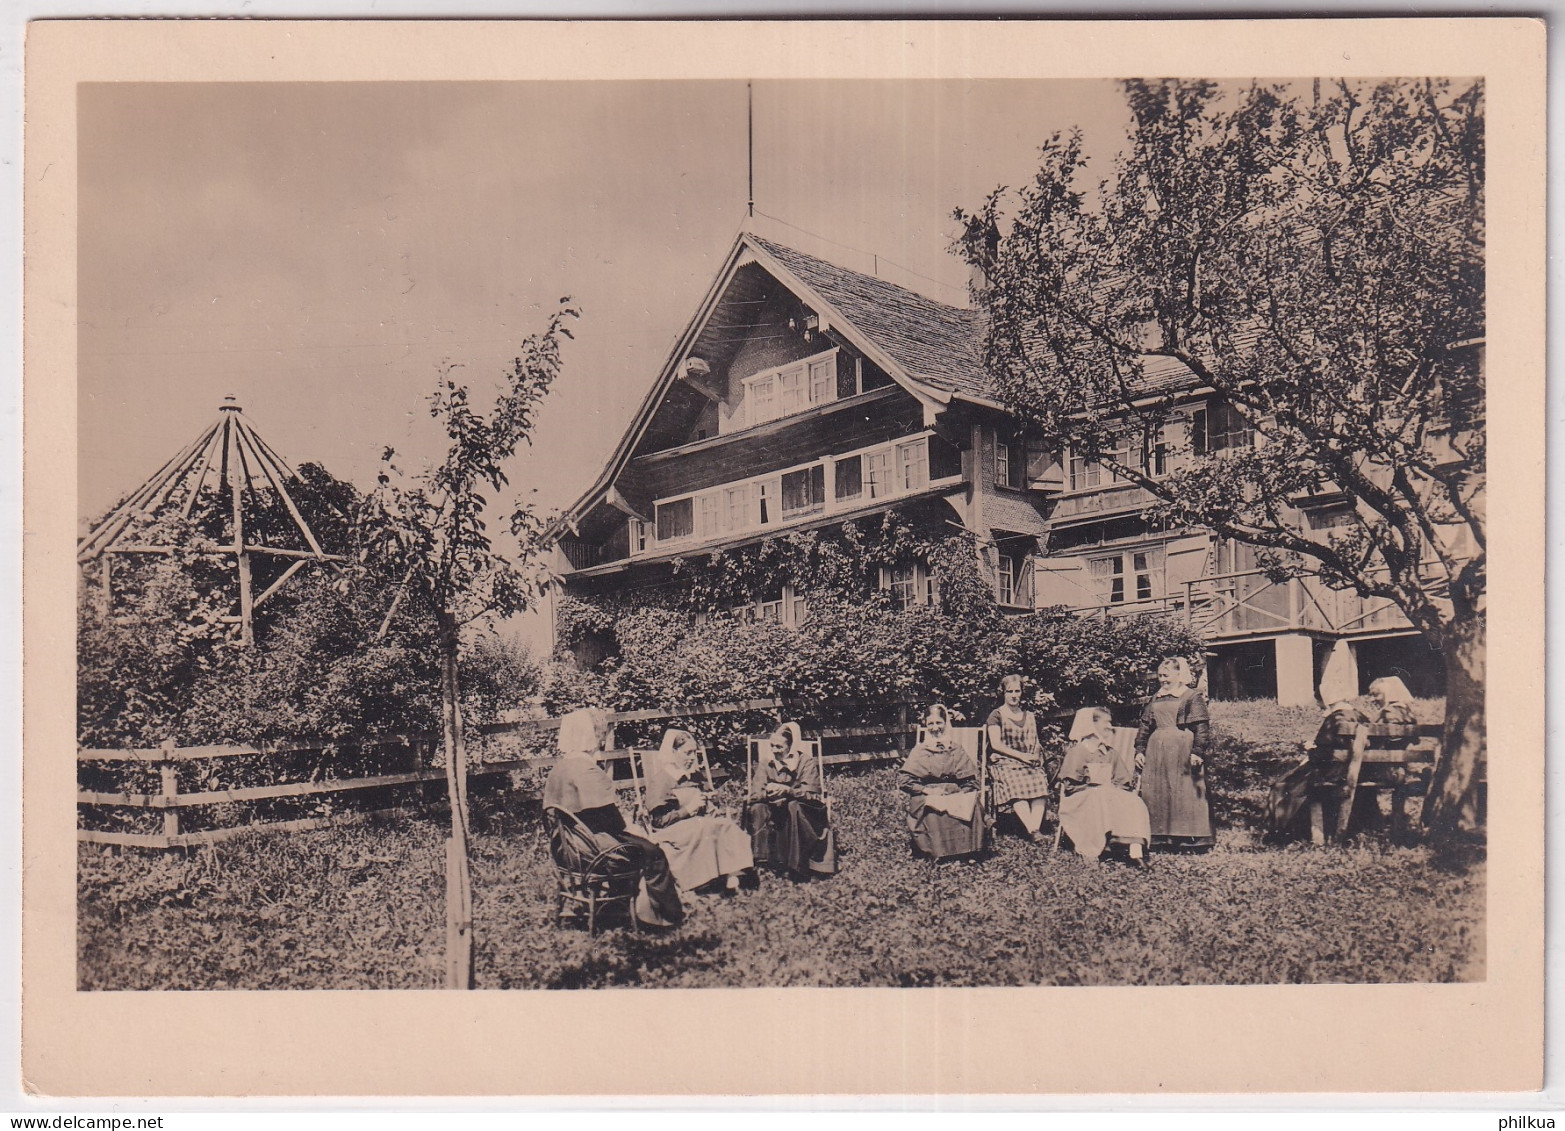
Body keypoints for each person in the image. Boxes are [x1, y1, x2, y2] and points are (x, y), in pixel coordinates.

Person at [542, 707, 684, 928]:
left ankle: (617, 907)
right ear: (590, 736)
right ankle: (666, 917)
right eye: (597, 732)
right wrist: (636, 830)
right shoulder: (588, 770)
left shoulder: (557, 770)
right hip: (592, 854)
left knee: (631, 844)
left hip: (564, 851)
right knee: (653, 853)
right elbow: (614, 823)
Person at [643, 728, 755, 894]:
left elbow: (705, 806)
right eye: (687, 753)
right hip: (671, 829)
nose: (692, 758)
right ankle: (702, 883)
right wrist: (688, 810)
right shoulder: (661, 780)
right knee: (704, 828)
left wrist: (708, 803)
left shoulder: (694, 776)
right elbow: (659, 822)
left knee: (725, 825)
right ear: (674, 752)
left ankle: (733, 875)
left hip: (697, 822)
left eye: (694, 753)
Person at [1134, 657, 1214, 849]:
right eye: (1160, 676)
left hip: (1182, 750)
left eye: (1167, 675)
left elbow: (1201, 727)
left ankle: (1190, 839)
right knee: (1157, 790)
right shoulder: (1157, 697)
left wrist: (1198, 751)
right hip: (1156, 750)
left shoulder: (1192, 696)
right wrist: (1139, 749)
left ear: (1179, 675)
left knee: (1184, 790)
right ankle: (1160, 837)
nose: (1163, 680)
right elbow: (1145, 725)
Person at [1057, 707, 1151, 864]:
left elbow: (1123, 782)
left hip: (1107, 796)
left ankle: (1136, 851)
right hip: (1080, 800)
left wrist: (1112, 789)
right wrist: (1094, 787)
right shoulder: (1078, 752)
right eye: (1106, 722)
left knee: (1135, 801)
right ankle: (1094, 849)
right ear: (1092, 725)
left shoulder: (1111, 753)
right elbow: (1070, 787)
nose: (1110, 726)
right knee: (1099, 796)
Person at [744, 722, 838, 879]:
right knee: (757, 807)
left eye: (779, 747)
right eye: (772, 746)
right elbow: (754, 794)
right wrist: (768, 794)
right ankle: (761, 862)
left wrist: (789, 791)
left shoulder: (805, 762)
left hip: (802, 809)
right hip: (772, 806)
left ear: (791, 746)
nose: (774, 751)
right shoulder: (766, 764)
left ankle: (796, 866)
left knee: (793, 806)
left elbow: (812, 796)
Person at [898, 704, 985, 859]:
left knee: (970, 803)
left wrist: (961, 794)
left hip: (954, 791)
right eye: (930, 723)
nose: (935, 728)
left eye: (939, 723)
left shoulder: (956, 748)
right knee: (931, 808)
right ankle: (938, 852)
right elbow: (904, 780)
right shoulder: (920, 750)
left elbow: (970, 780)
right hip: (928, 792)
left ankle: (967, 851)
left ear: (946, 724)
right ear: (925, 724)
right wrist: (928, 791)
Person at [984, 674, 1053, 844]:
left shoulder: (1029, 715)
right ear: (1003, 693)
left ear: (1022, 692)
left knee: (1039, 780)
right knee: (1016, 784)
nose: (1014, 695)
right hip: (1005, 761)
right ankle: (1033, 830)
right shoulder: (996, 715)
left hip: (1028, 760)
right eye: (1010, 691)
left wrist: (1036, 755)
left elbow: (1036, 741)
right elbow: (996, 745)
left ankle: (1035, 830)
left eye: (1017, 691)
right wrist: (1023, 756)